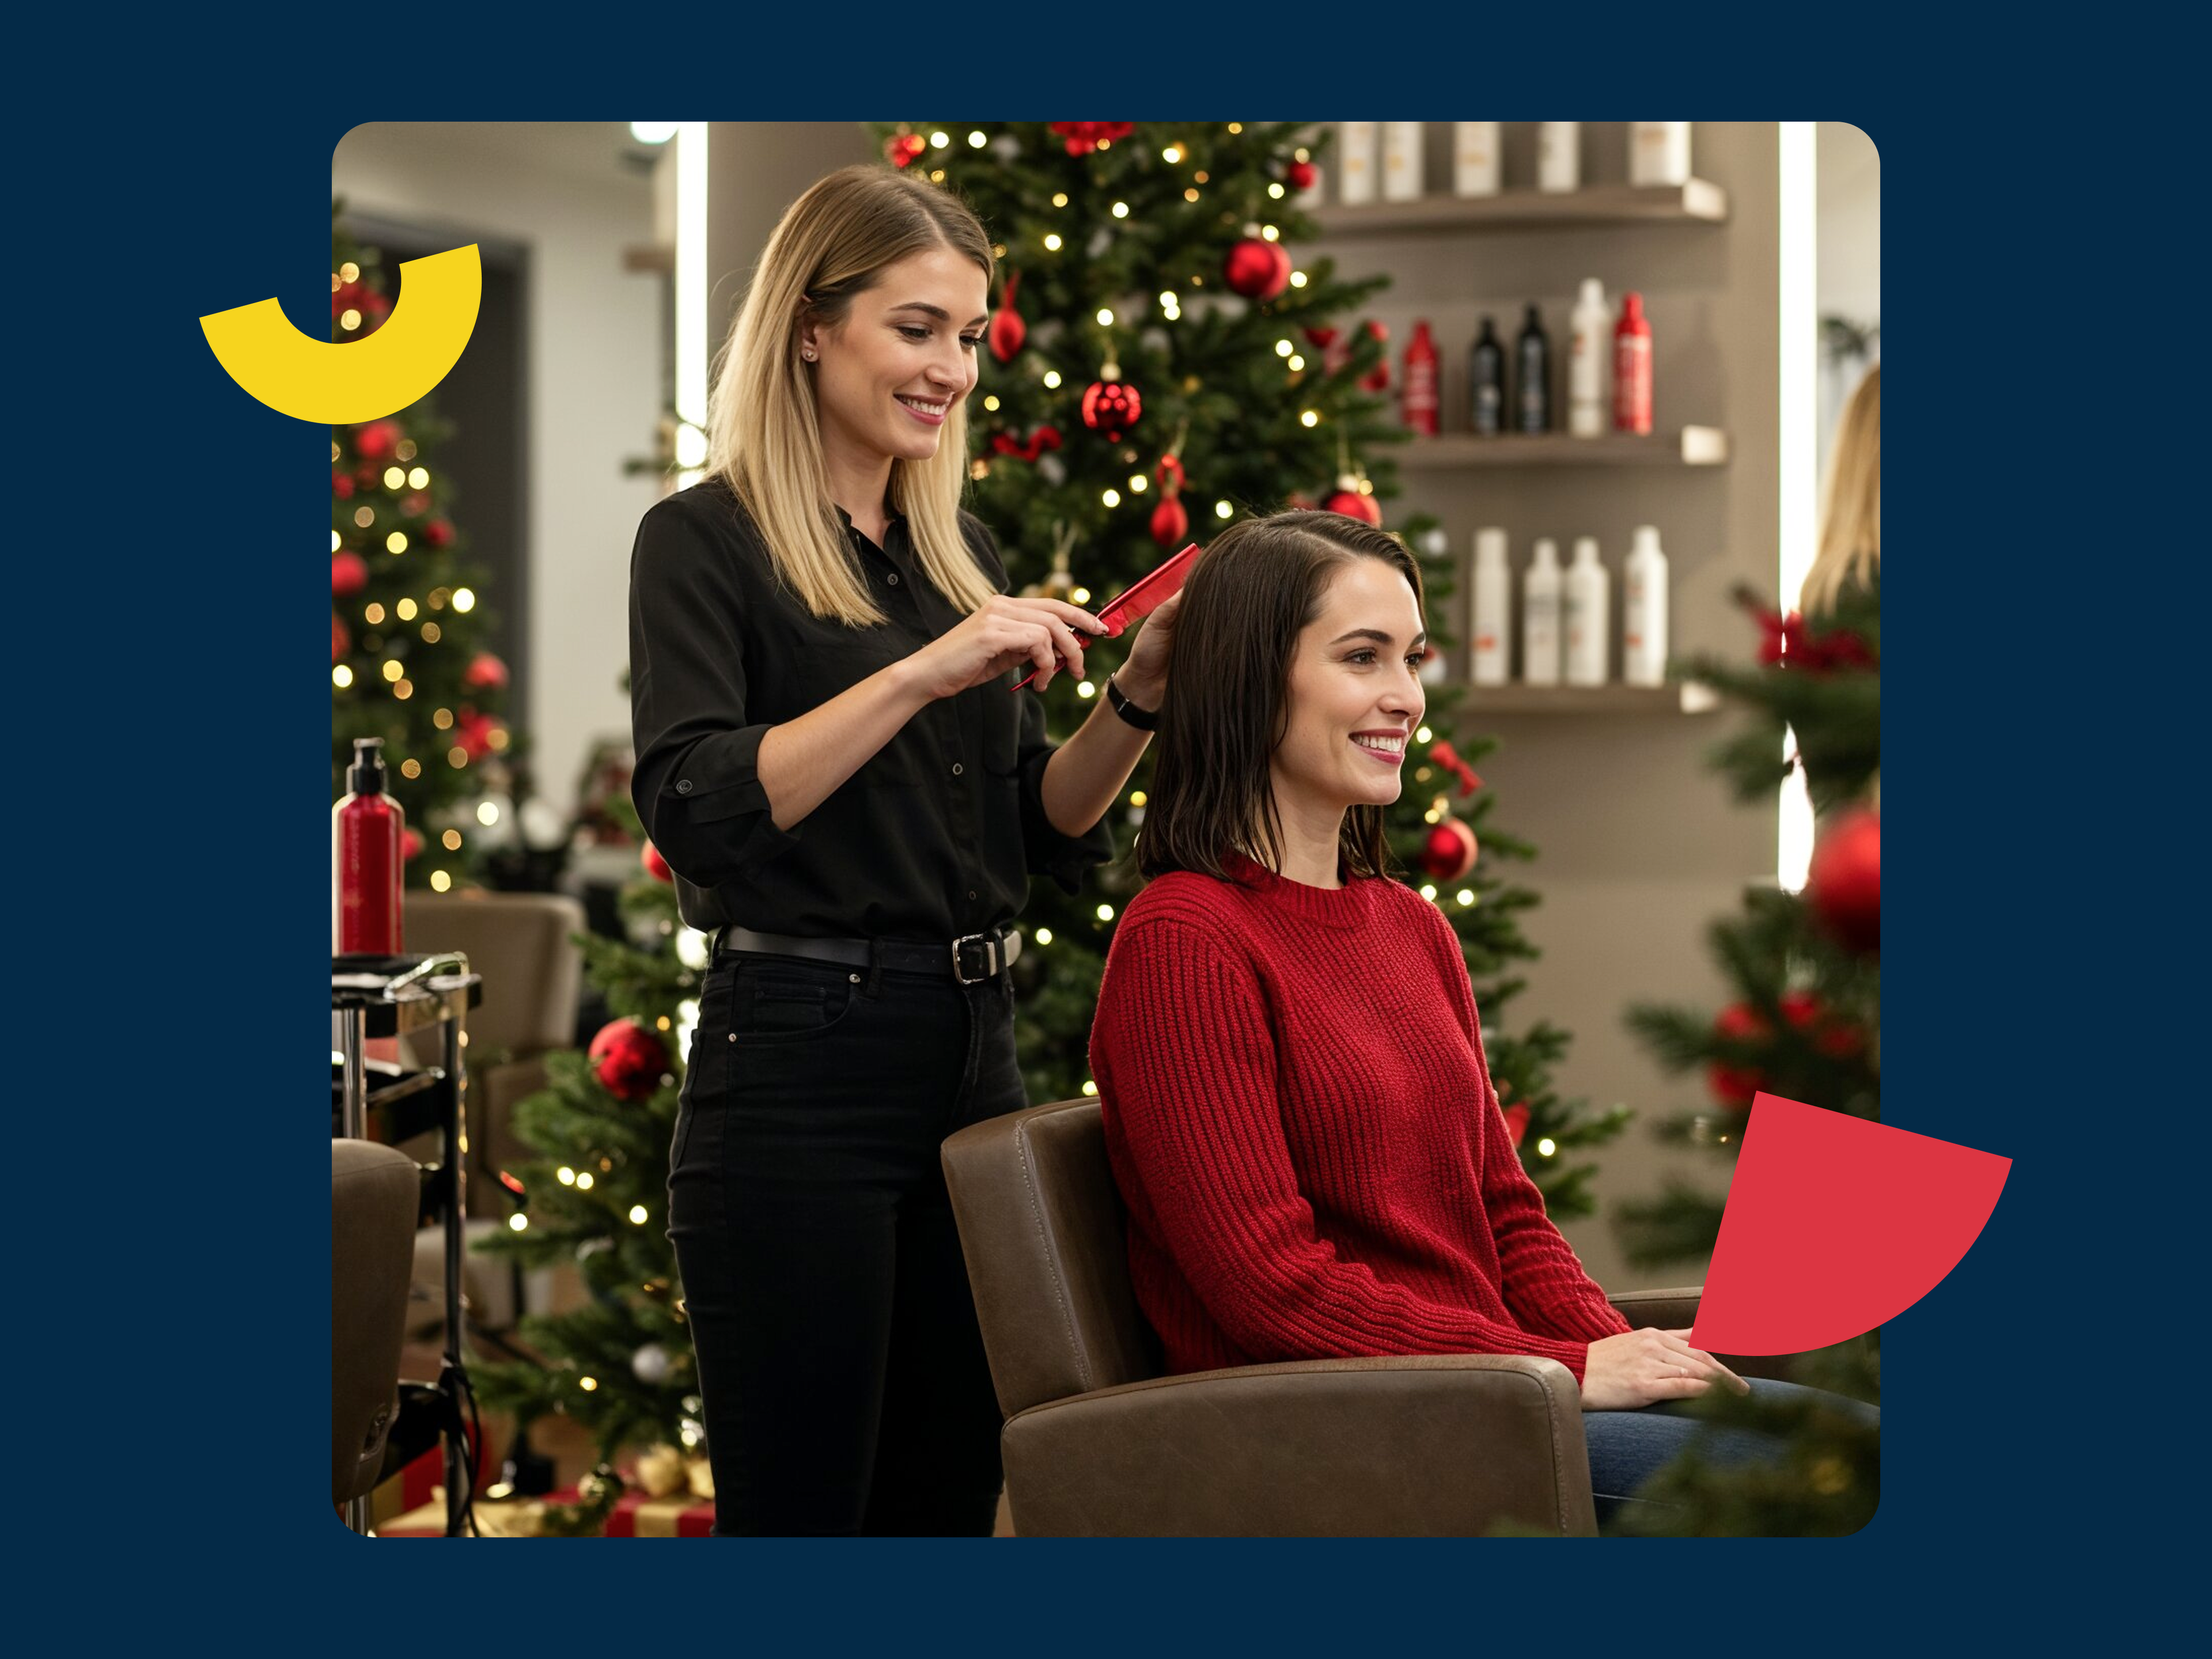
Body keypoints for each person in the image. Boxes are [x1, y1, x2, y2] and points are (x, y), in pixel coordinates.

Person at [1086, 510, 1872, 1532]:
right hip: (1348, 1425)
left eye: (1411, 659)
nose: (1405, 697)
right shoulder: (1183, 940)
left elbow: (1505, 1213)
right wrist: (1569, 1366)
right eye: (1361, 658)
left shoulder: (1411, 926)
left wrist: (1632, 1360)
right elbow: (1270, 1292)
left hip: (1497, 1388)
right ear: (1247, 676)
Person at [629, 164, 1179, 1536]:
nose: (953, 369)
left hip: (973, 1060)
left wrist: (1141, 697)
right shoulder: (703, 543)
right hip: (798, 1067)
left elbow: (1040, 833)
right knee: (808, 1513)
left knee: (947, 1499)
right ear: (813, 325)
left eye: (971, 337)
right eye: (917, 327)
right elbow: (697, 804)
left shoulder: (955, 550)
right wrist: (927, 672)